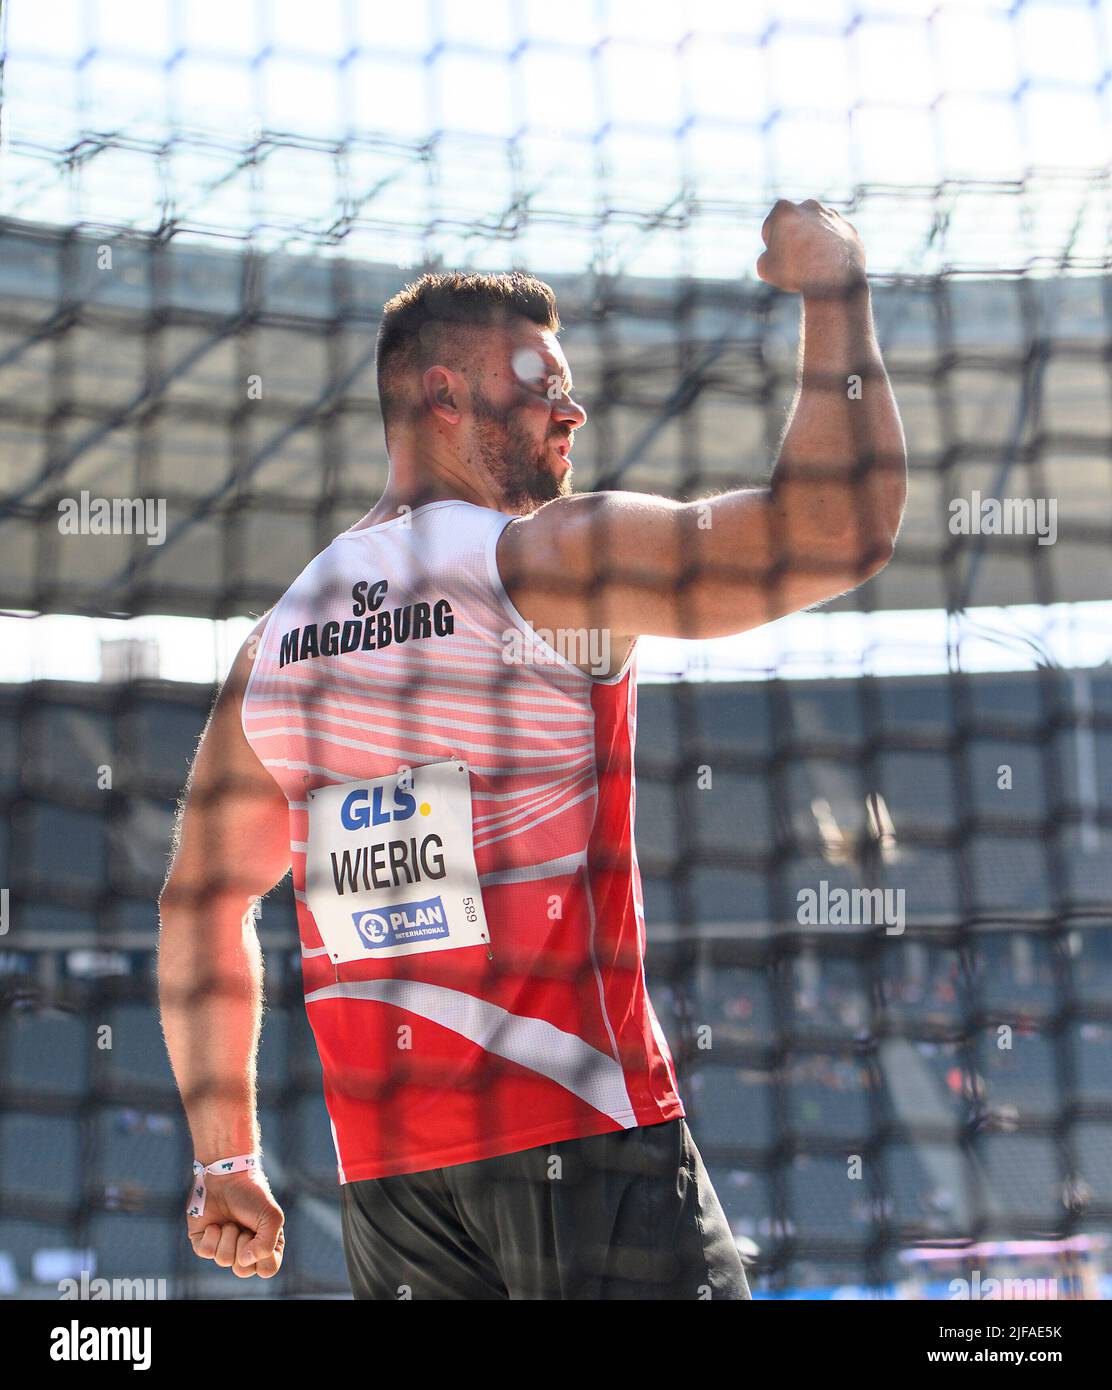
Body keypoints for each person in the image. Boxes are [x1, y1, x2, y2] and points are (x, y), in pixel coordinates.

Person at [158, 197, 907, 1299]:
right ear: (443, 396)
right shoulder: (542, 559)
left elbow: (199, 903)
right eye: (541, 384)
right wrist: (835, 290)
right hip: (586, 1139)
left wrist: (227, 1158)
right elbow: (837, 532)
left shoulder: (279, 641)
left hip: (396, 1196)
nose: (573, 410)